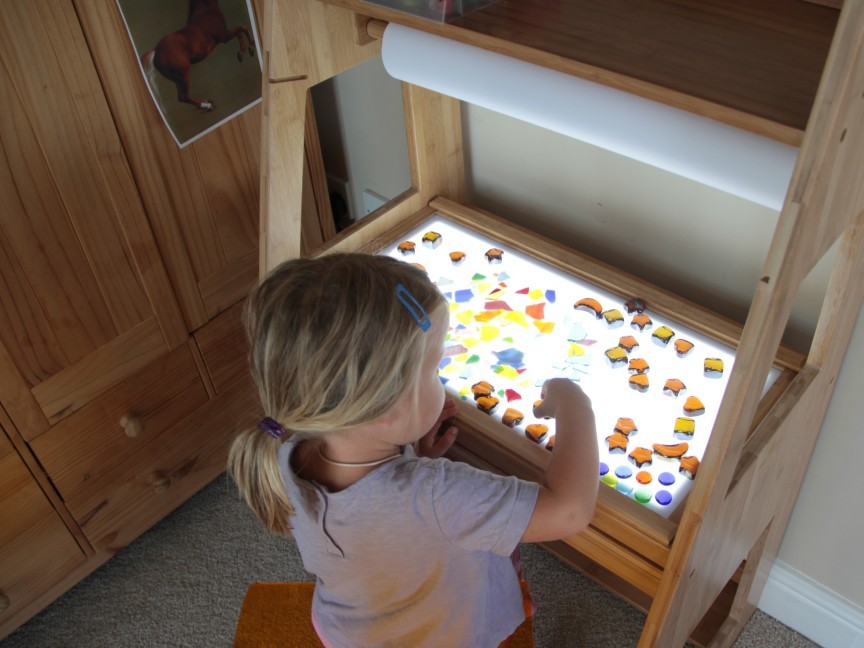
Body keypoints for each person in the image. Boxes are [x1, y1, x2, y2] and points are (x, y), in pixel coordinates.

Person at [228, 253, 598, 647]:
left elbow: (384, 515)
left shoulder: (286, 445)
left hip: (348, 630)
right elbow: (569, 510)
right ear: (391, 411)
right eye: (435, 368)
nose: (441, 380)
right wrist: (576, 404)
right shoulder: (437, 494)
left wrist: (411, 456)